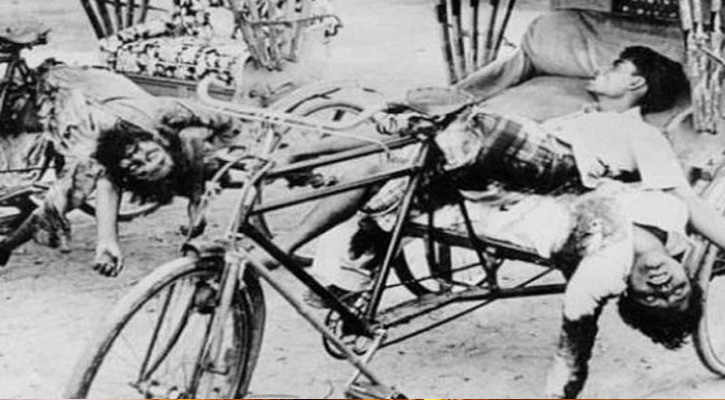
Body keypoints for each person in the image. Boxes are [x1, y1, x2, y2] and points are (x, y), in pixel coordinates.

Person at [243, 45, 723, 398]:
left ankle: (305, 158)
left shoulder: (639, 136)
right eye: (676, 289)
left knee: (460, 127)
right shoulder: (576, 118)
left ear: (637, 87)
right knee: (384, 163)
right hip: (505, 180)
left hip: (545, 170)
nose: (662, 284)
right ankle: (286, 243)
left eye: (616, 67)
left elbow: (684, 196)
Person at [0, 61, 246, 274]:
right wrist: (197, 195)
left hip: (71, 111)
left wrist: (106, 243)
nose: (140, 156)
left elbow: (105, 187)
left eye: (137, 165)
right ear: (162, 143)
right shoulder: (163, 113)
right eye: (152, 155)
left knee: (66, 197)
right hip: (85, 84)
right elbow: (227, 124)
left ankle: (5, 246)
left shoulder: (104, 156)